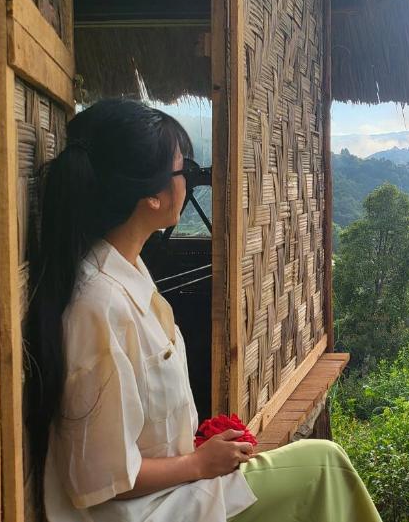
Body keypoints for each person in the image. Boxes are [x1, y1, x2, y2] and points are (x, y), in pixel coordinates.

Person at [25, 99, 382, 522]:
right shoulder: (98, 305)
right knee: (324, 467)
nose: (191, 181)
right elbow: (96, 479)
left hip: (172, 493)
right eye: (185, 170)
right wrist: (197, 464)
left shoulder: (127, 273)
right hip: (142, 513)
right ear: (152, 196)